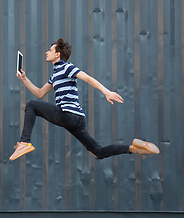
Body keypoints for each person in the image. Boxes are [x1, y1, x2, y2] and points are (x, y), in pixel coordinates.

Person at [9, 38, 159, 161]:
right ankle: (133, 148)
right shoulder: (54, 76)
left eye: (50, 50)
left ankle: (24, 143)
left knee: (30, 105)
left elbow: (87, 78)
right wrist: (24, 79)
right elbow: (40, 93)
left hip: (66, 114)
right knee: (98, 152)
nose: (46, 52)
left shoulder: (67, 67)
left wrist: (106, 91)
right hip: (77, 119)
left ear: (57, 55)